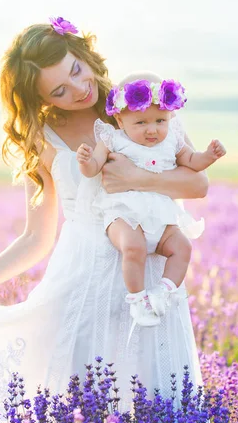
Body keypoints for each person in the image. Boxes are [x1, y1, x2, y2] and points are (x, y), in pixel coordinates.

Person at [0, 17, 209, 423]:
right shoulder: (43, 138)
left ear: (83, 54)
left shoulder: (138, 105)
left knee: (160, 402)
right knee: (81, 406)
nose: (78, 89)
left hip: (152, 277)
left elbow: (197, 182)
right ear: (40, 99)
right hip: (81, 283)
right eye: (58, 90)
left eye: (75, 71)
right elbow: (36, 237)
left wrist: (137, 180)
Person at [75, 71, 226, 331]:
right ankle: (138, 299)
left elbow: (193, 162)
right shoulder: (113, 139)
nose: (153, 129)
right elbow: (94, 169)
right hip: (124, 214)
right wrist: (87, 161)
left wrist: (209, 156)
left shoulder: (173, 141)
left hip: (160, 214)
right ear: (120, 120)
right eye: (141, 123)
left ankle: (165, 292)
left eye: (160, 120)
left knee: (183, 247)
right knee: (134, 247)